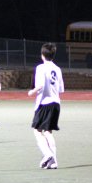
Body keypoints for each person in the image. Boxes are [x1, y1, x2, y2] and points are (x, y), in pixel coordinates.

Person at [28, 42, 64, 170]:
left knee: (37, 131)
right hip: (56, 103)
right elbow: (61, 89)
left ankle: (48, 154)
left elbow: (40, 85)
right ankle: (53, 162)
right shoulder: (58, 69)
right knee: (48, 132)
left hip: (44, 103)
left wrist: (31, 91)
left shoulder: (40, 68)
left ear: (42, 55)